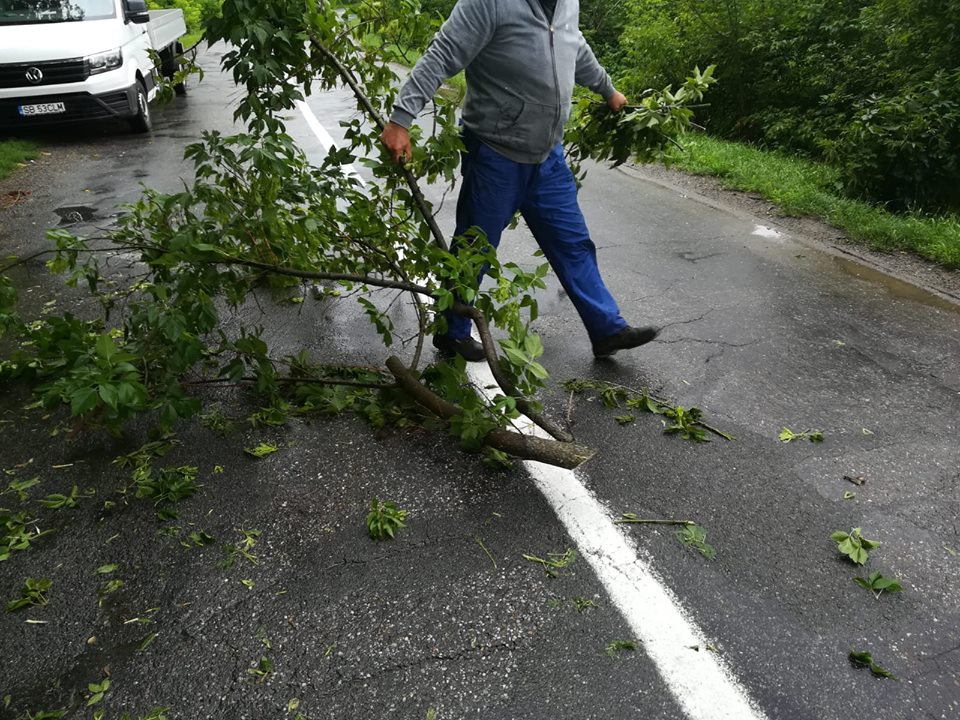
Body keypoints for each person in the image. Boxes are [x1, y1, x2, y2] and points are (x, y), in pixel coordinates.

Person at [380, 0, 658, 361]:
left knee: (574, 244)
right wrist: (401, 119)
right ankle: (452, 332)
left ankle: (606, 329)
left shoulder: (565, 3)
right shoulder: (489, 3)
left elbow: (575, 45)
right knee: (474, 249)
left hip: (547, 155)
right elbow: (443, 52)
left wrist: (608, 90)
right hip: (495, 153)